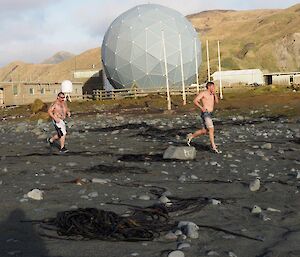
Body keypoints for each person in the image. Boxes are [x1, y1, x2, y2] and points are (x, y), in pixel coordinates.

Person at [187, 81, 221, 153]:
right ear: (209, 87)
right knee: (211, 129)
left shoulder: (212, 94)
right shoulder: (203, 93)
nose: (214, 88)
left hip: (210, 113)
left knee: (205, 131)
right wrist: (201, 107)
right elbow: (195, 100)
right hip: (205, 113)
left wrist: (215, 94)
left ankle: (191, 136)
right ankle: (213, 146)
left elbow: (217, 102)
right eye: (213, 87)